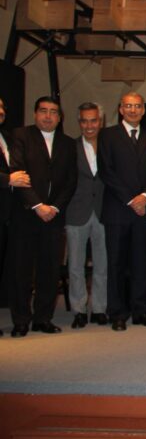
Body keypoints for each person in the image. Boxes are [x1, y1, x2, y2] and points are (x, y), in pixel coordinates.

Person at [8, 96, 76, 337]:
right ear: (35, 114)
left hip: (54, 217)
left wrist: (54, 207)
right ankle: (20, 320)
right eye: (43, 111)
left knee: (49, 271)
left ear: (60, 117)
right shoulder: (21, 136)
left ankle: (43, 319)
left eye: (53, 112)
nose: (48, 116)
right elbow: (18, 173)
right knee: (22, 271)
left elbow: (70, 181)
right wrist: (37, 205)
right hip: (26, 215)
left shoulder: (68, 143)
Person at [98, 92, 146, 331]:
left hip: (144, 210)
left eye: (137, 106)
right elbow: (106, 171)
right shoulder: (107, 135)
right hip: (117, 210)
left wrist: (145, 197)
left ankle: (141, 311)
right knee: (116, 264)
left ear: (144, 110)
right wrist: (130, 199)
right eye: (128, 106)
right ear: (121, 109)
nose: (133, 110)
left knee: (141, 263)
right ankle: (117, 313)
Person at [65, 102, 108, 329]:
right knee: (75, 265)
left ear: (101, 122)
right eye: (84, 121)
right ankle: (79, 310)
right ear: (79, 122)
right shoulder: (69, 147)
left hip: (103, 211)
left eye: (93, 120)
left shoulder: (109, 146)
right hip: (76, 211)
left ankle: (100, 308)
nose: (89, 125)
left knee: (103, 264)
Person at [0, 98, 31, 337]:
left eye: (2, 107)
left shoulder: (9, 137)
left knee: (17, 269)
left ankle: (21, 319)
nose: (0, 111)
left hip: (14, 215)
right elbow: (11, 176)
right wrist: (7, 179)